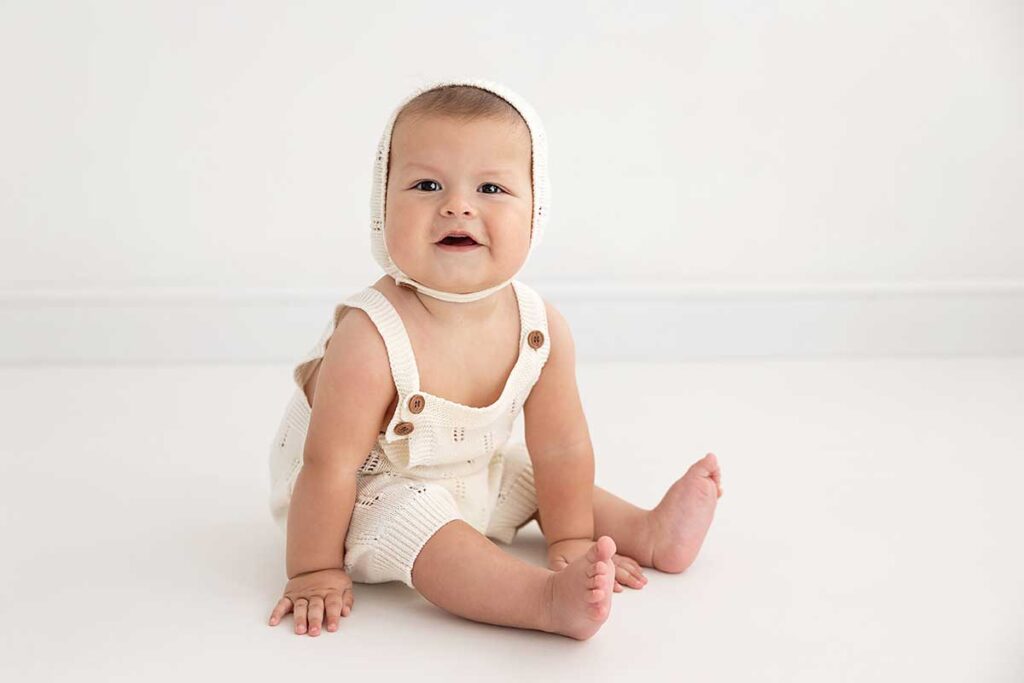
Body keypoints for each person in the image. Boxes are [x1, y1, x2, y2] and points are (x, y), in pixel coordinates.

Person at [266, 77, 724, 641]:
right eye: (427, 185)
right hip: (359, 501)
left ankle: (648, 532)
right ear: (381, 207)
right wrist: (313, 569)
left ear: (536, 211)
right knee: (417, 516)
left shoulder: (539, 326)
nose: (457, 205)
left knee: (529, 474)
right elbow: (329, 466)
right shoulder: (370, 336)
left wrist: (571, 537)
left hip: (472, 474)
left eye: (491, 188)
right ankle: (538, 600)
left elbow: (561, 447)